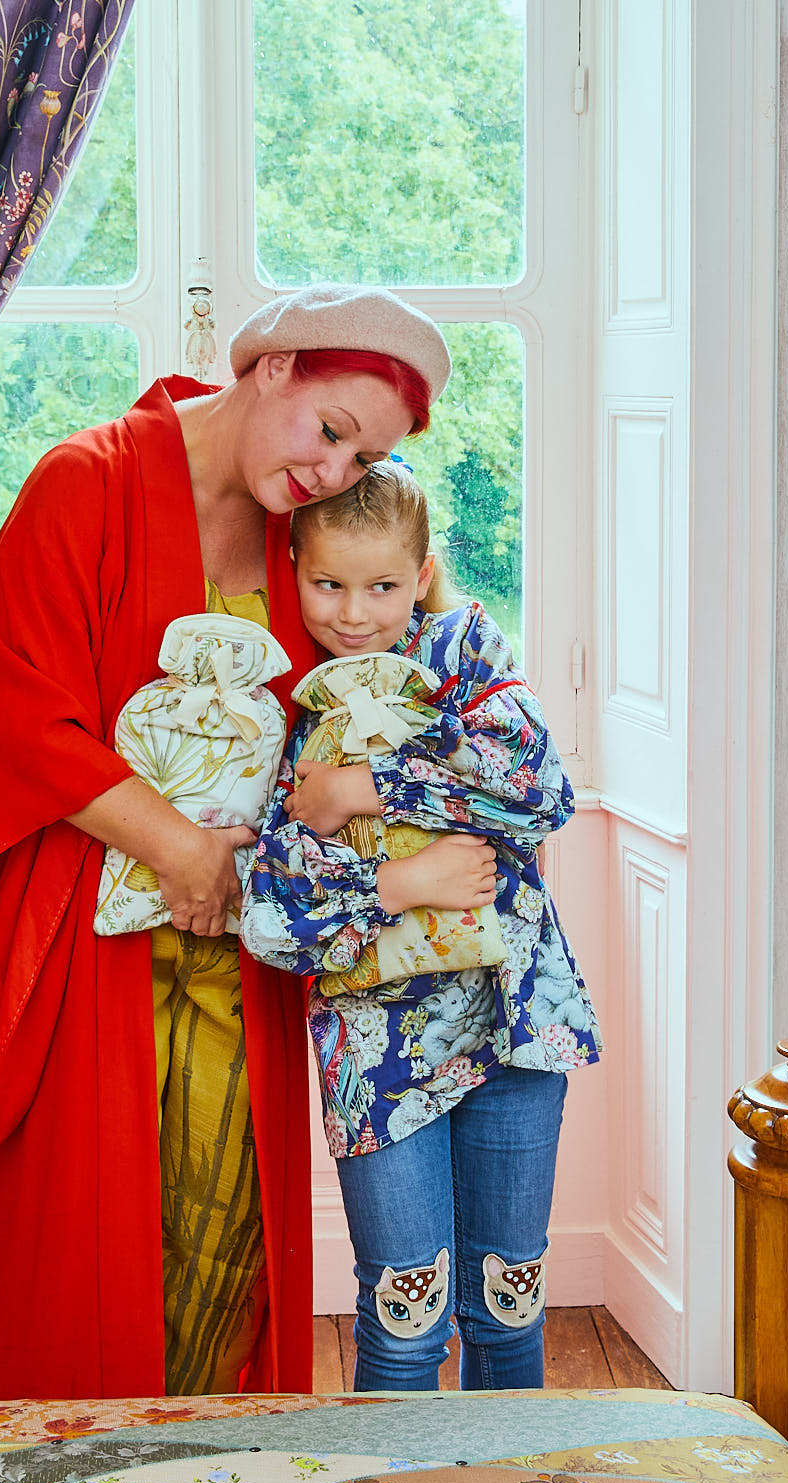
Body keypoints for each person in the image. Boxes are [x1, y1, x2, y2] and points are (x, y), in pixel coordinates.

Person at [0, 285, 452, 1400]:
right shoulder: (87, 482)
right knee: (90, 1232)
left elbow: (360, 669)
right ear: (271, 368)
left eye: (362, 460)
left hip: (238, 951)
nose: (333, 472)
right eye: (331, 429)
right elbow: (25, 713)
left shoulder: (295, 532)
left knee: (228, 1229)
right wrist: (182, 848)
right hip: (87, 944)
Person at [241, 461, 602, 1391]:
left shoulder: (469, 659)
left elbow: (538, 790)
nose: (355, 613)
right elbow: (276, 916)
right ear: (293, 566)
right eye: (329, 584)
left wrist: (369, 787)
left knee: (508, 1305)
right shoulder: (286, 705)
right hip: (381, 1052)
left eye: (383, 586)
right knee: (404, 1318)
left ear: (422, 571)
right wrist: (405, 880)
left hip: (516, 1029)